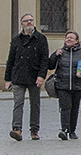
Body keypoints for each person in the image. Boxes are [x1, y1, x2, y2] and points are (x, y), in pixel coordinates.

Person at [4, 13, 49, 142]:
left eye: (31, 20)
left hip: (34, 76)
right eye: (26, 21)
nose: (29, 22)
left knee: (35, 104)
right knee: (18, 103)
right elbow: (11, 60)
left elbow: (44, 60)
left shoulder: (41, 39)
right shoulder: (16, 40)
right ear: (22, 24)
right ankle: (16, 129)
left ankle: (34, 130)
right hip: (18, 76)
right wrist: (7, 79)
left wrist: (41, 76)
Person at [46, 31, 81, 140]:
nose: (69, 39)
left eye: (71, 38)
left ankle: (72, 131)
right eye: (67, 38)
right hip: (62, 85)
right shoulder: (60, 52)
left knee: (74, 108)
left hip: (78, 86)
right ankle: (64, 130)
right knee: (65, 107)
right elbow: (50, 65)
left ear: (77, 41)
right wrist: (54, 55)